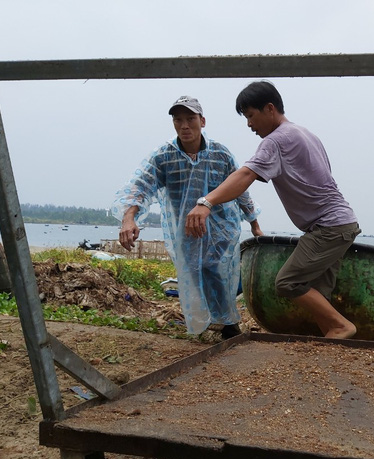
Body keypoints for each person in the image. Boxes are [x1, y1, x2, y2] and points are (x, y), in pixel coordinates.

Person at [185, 81, 360, 339]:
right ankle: (331, 344)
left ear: (269, 109)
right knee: (319, 295)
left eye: (250, 116)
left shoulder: (276, 140)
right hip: (340, 223)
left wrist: (206, 202)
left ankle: (343, 327)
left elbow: (245, 174)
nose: (249, 124)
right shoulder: (305, 134)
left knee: (288, 283)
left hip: (329, 226)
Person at [112, 95, 263, 339]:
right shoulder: (164, 156)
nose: (184, 126)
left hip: (221, 228)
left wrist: (254, 223)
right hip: (186, 230)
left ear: (202, 121)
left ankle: (227, 324)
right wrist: (129, 218)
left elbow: (240, 190)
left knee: (217, 269)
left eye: (190, 119)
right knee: (193, 273)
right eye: (178, 120)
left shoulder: (220, 155)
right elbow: (140, 187)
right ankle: (206, 323)